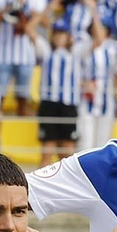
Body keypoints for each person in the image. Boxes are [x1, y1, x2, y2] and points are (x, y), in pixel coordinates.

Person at [38, 22, 79, 164]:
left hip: (68, 103)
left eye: (63, 33)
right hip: (49, 103)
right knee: (47, 148)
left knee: (68, 151)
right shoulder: (45, 51)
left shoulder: (76, 53)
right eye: (57, 33)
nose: (59, 36)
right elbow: (30, 30)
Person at [77, 16, 117, 151]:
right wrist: (84, 84)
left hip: (106, 100)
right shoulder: (84, 45)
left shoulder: (113, 48)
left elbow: (116, 74)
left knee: (104, 144)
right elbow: (75, 71)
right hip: (86, 99)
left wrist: (116, 97)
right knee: (85, 143)